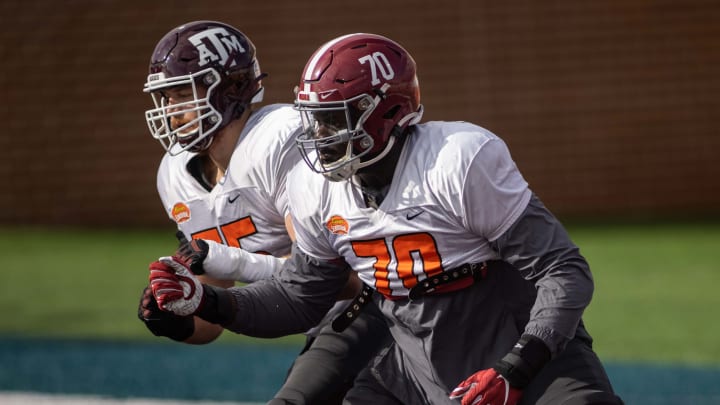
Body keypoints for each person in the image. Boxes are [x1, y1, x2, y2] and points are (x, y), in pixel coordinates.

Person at [148, 33, 624, 404]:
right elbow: (300, 298)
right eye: (315, 120)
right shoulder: (315, 187)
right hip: (413, 368)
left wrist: (518, 365)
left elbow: (563, 270)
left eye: (334, 119)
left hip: (517, 350)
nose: (319, 136)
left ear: (388, 111)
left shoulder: (457, 158)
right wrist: (206, 302)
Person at [136, 22, 389, 404]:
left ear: (231, 88)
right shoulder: (176, 177)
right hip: (326, 320)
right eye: (166, 97)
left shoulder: (278, 140)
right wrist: (178, 315)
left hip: (378, 305)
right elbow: (212, 320)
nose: (171, 110)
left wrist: (231, 261)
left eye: (181, 93)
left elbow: (340, 279)